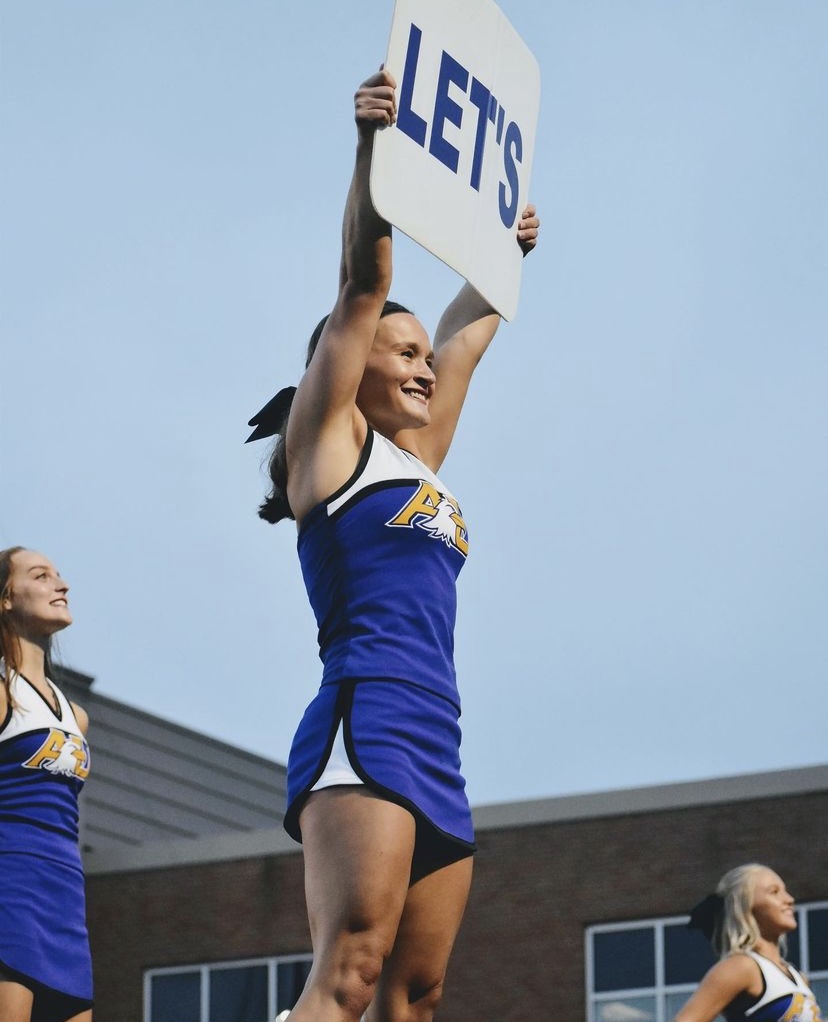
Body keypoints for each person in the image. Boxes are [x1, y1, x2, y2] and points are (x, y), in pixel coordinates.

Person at [247, 67, 539, 1022]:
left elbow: (472, 328)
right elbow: (362, 279)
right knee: (352, 972)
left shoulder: (424, 457)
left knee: (414, 999)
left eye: (422, 358)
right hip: (364, 716)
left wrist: (505, 250)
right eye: (401, 353)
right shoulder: (330, 450)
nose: (422, 367)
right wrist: (373, 150)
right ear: (350, 359)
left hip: (438, 735)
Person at [0, 546, 93, 1022]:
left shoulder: (75, 714)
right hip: (10, 885)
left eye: (59, 573)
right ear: (6, 599)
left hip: (66, 893)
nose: (62, 584)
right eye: (41, 576)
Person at [677, 863, 823, 1022]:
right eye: (774, 892)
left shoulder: (799, 978)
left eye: (785, 891)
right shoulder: (741, 967)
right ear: (744, 905)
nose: (789, 899)